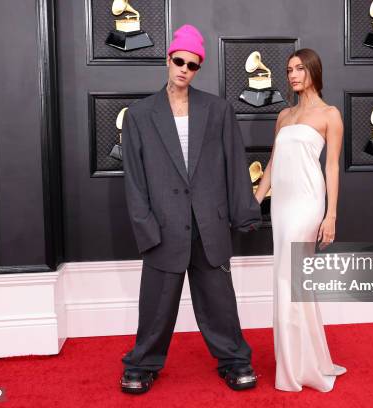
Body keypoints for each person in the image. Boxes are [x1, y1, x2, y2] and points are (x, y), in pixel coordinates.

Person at [120, 24, 262, 394]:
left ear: (199, 68)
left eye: (193, 64)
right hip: (163, 224)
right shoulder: (138, 114)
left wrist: (244, 212)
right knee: (156, 306)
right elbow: (134, 180)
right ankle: (141, 364)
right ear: (168, 60)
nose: (184, 68)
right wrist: (146, 227)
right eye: (179, 61)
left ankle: (235, 361)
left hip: (209, 222)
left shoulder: (217, 109)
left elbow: (235, 163)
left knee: (219, 301)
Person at [254, 48, 347, 392]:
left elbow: (332, 167)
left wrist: (330, 214)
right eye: (289, 69)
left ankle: (297, 368)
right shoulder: (284, 115)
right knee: (291, 280)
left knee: (289, 279)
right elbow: (273, 166)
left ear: (313, 72)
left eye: (299, 69)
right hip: (282, 206)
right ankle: (303, 358)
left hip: (308, 204)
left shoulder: (329, 114)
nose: (292, 75)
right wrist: (256, 200)